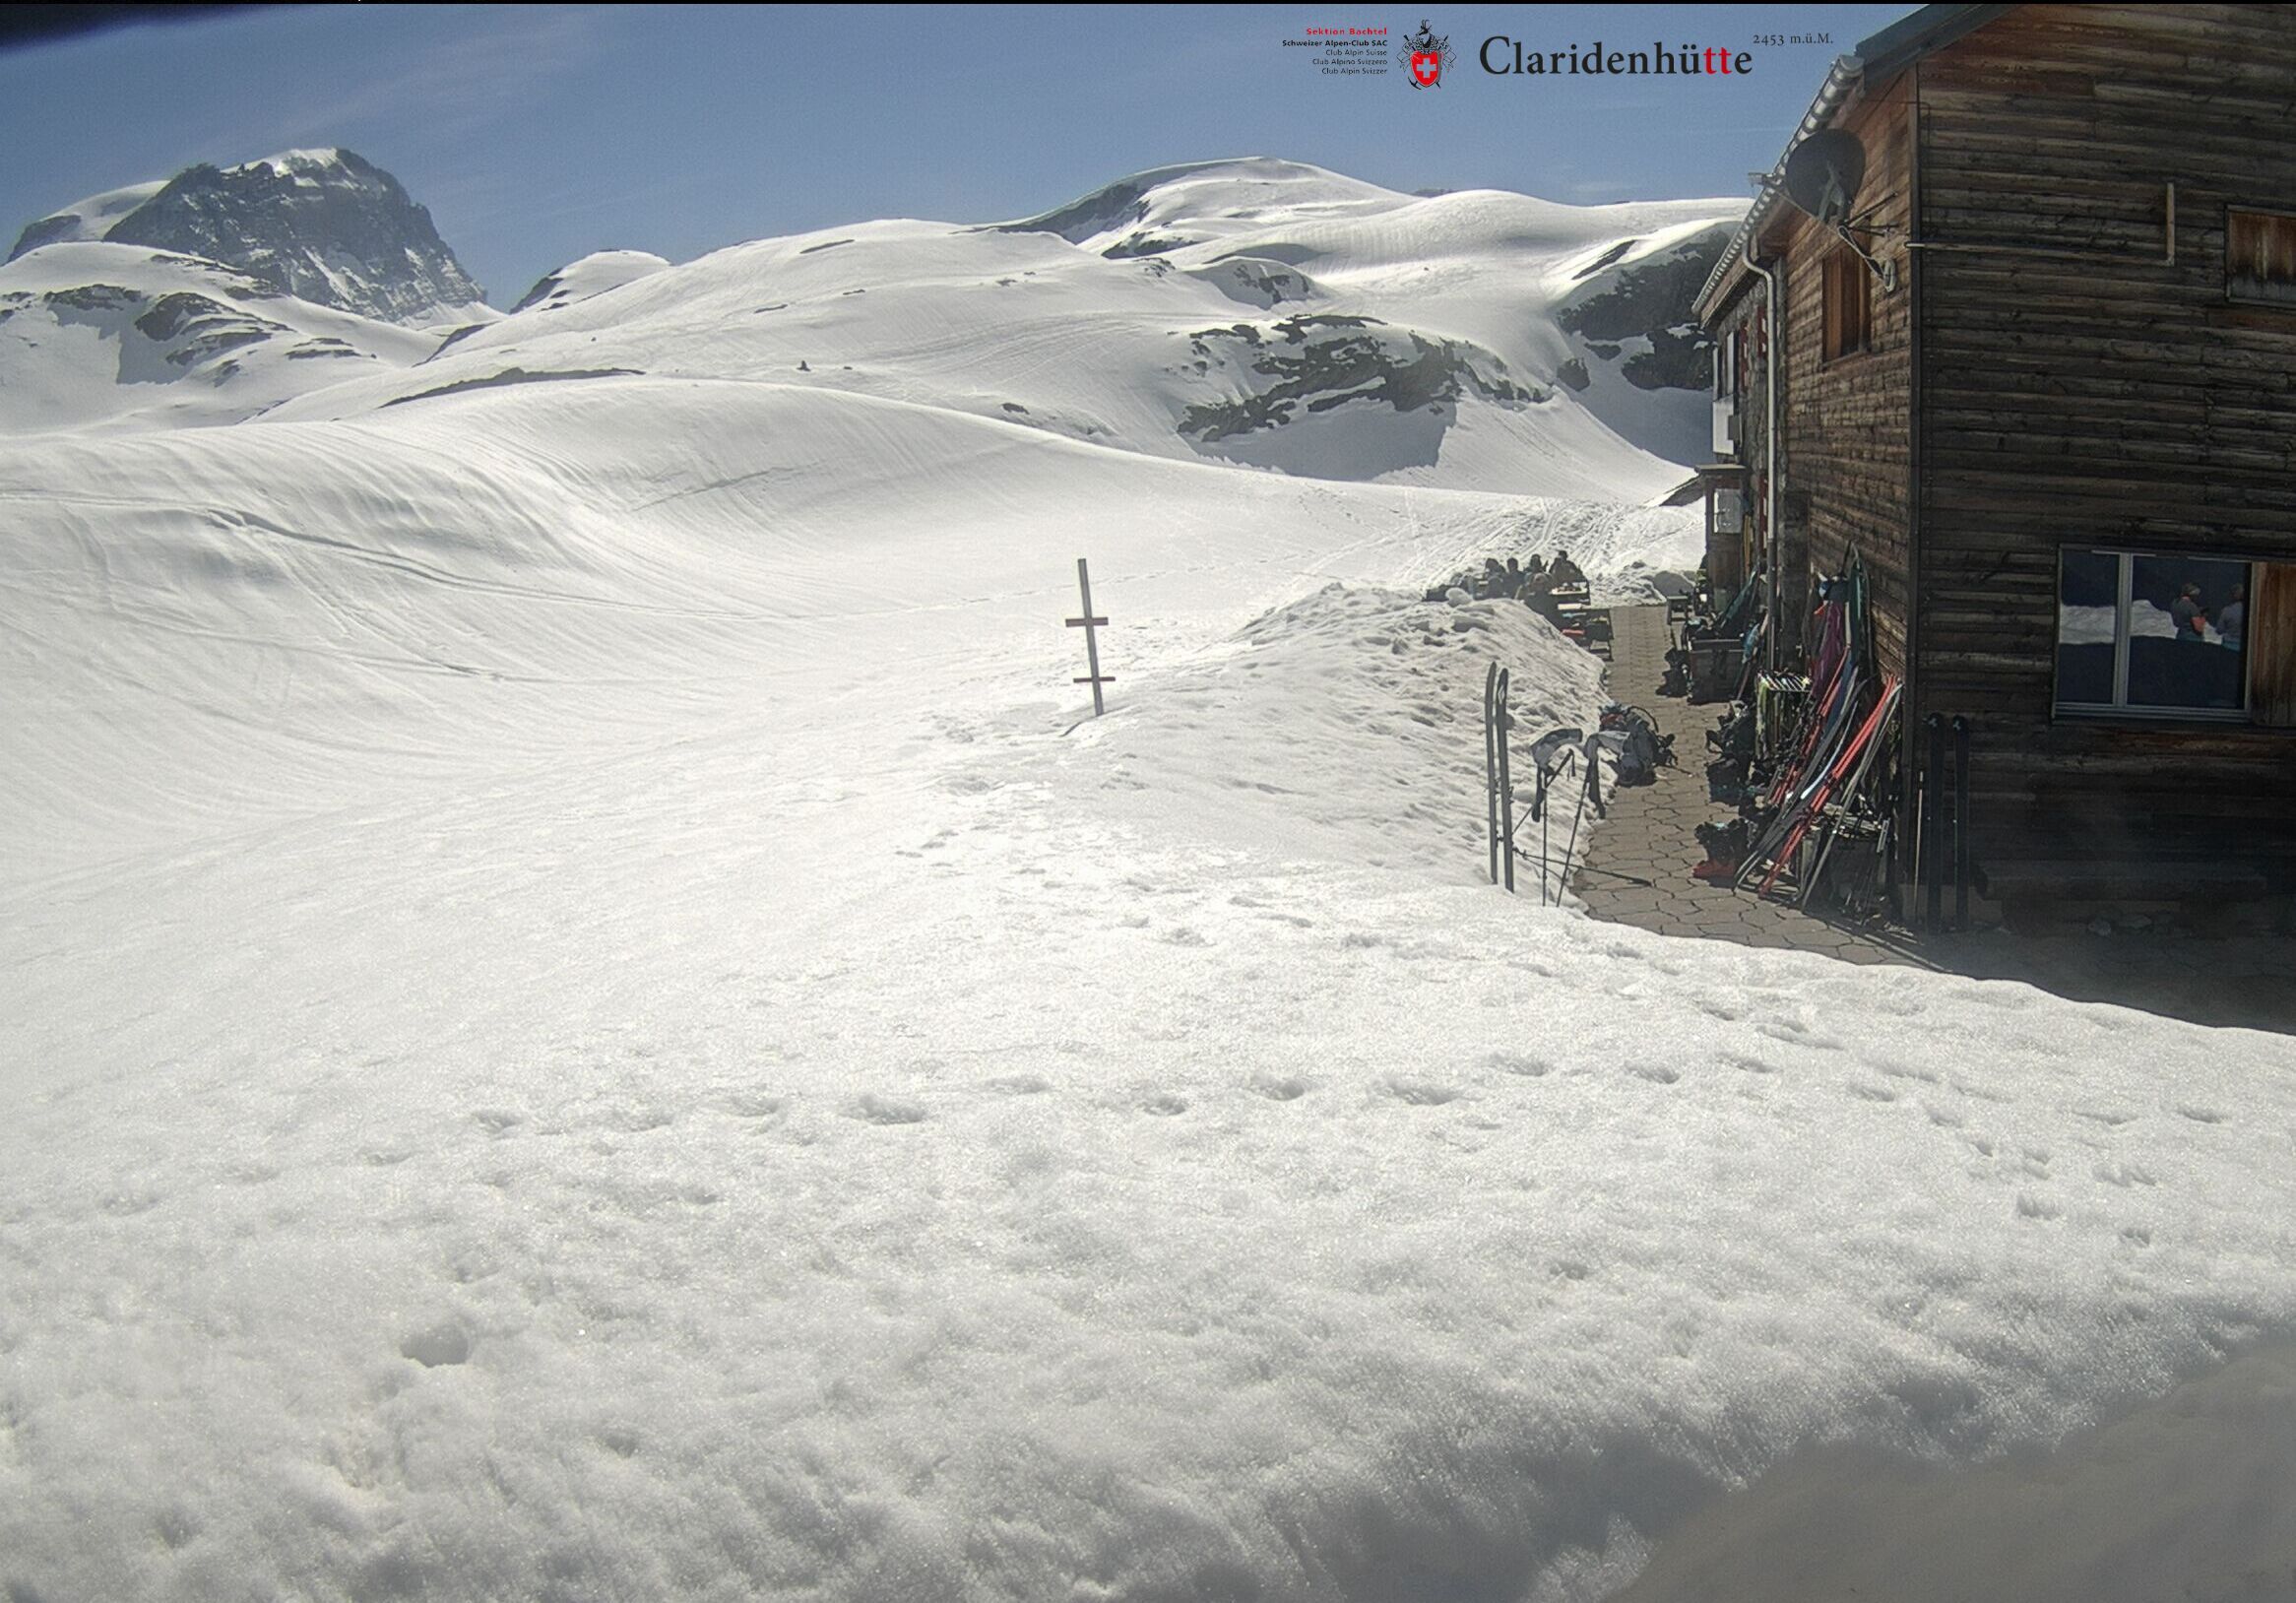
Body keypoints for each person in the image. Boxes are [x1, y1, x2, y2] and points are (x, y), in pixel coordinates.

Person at [2219, 583, 2246, 651]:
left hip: (2227, 646)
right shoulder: (2252, 612)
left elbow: (2219, 630)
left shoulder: (2227, 610)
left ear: (2232, 596)